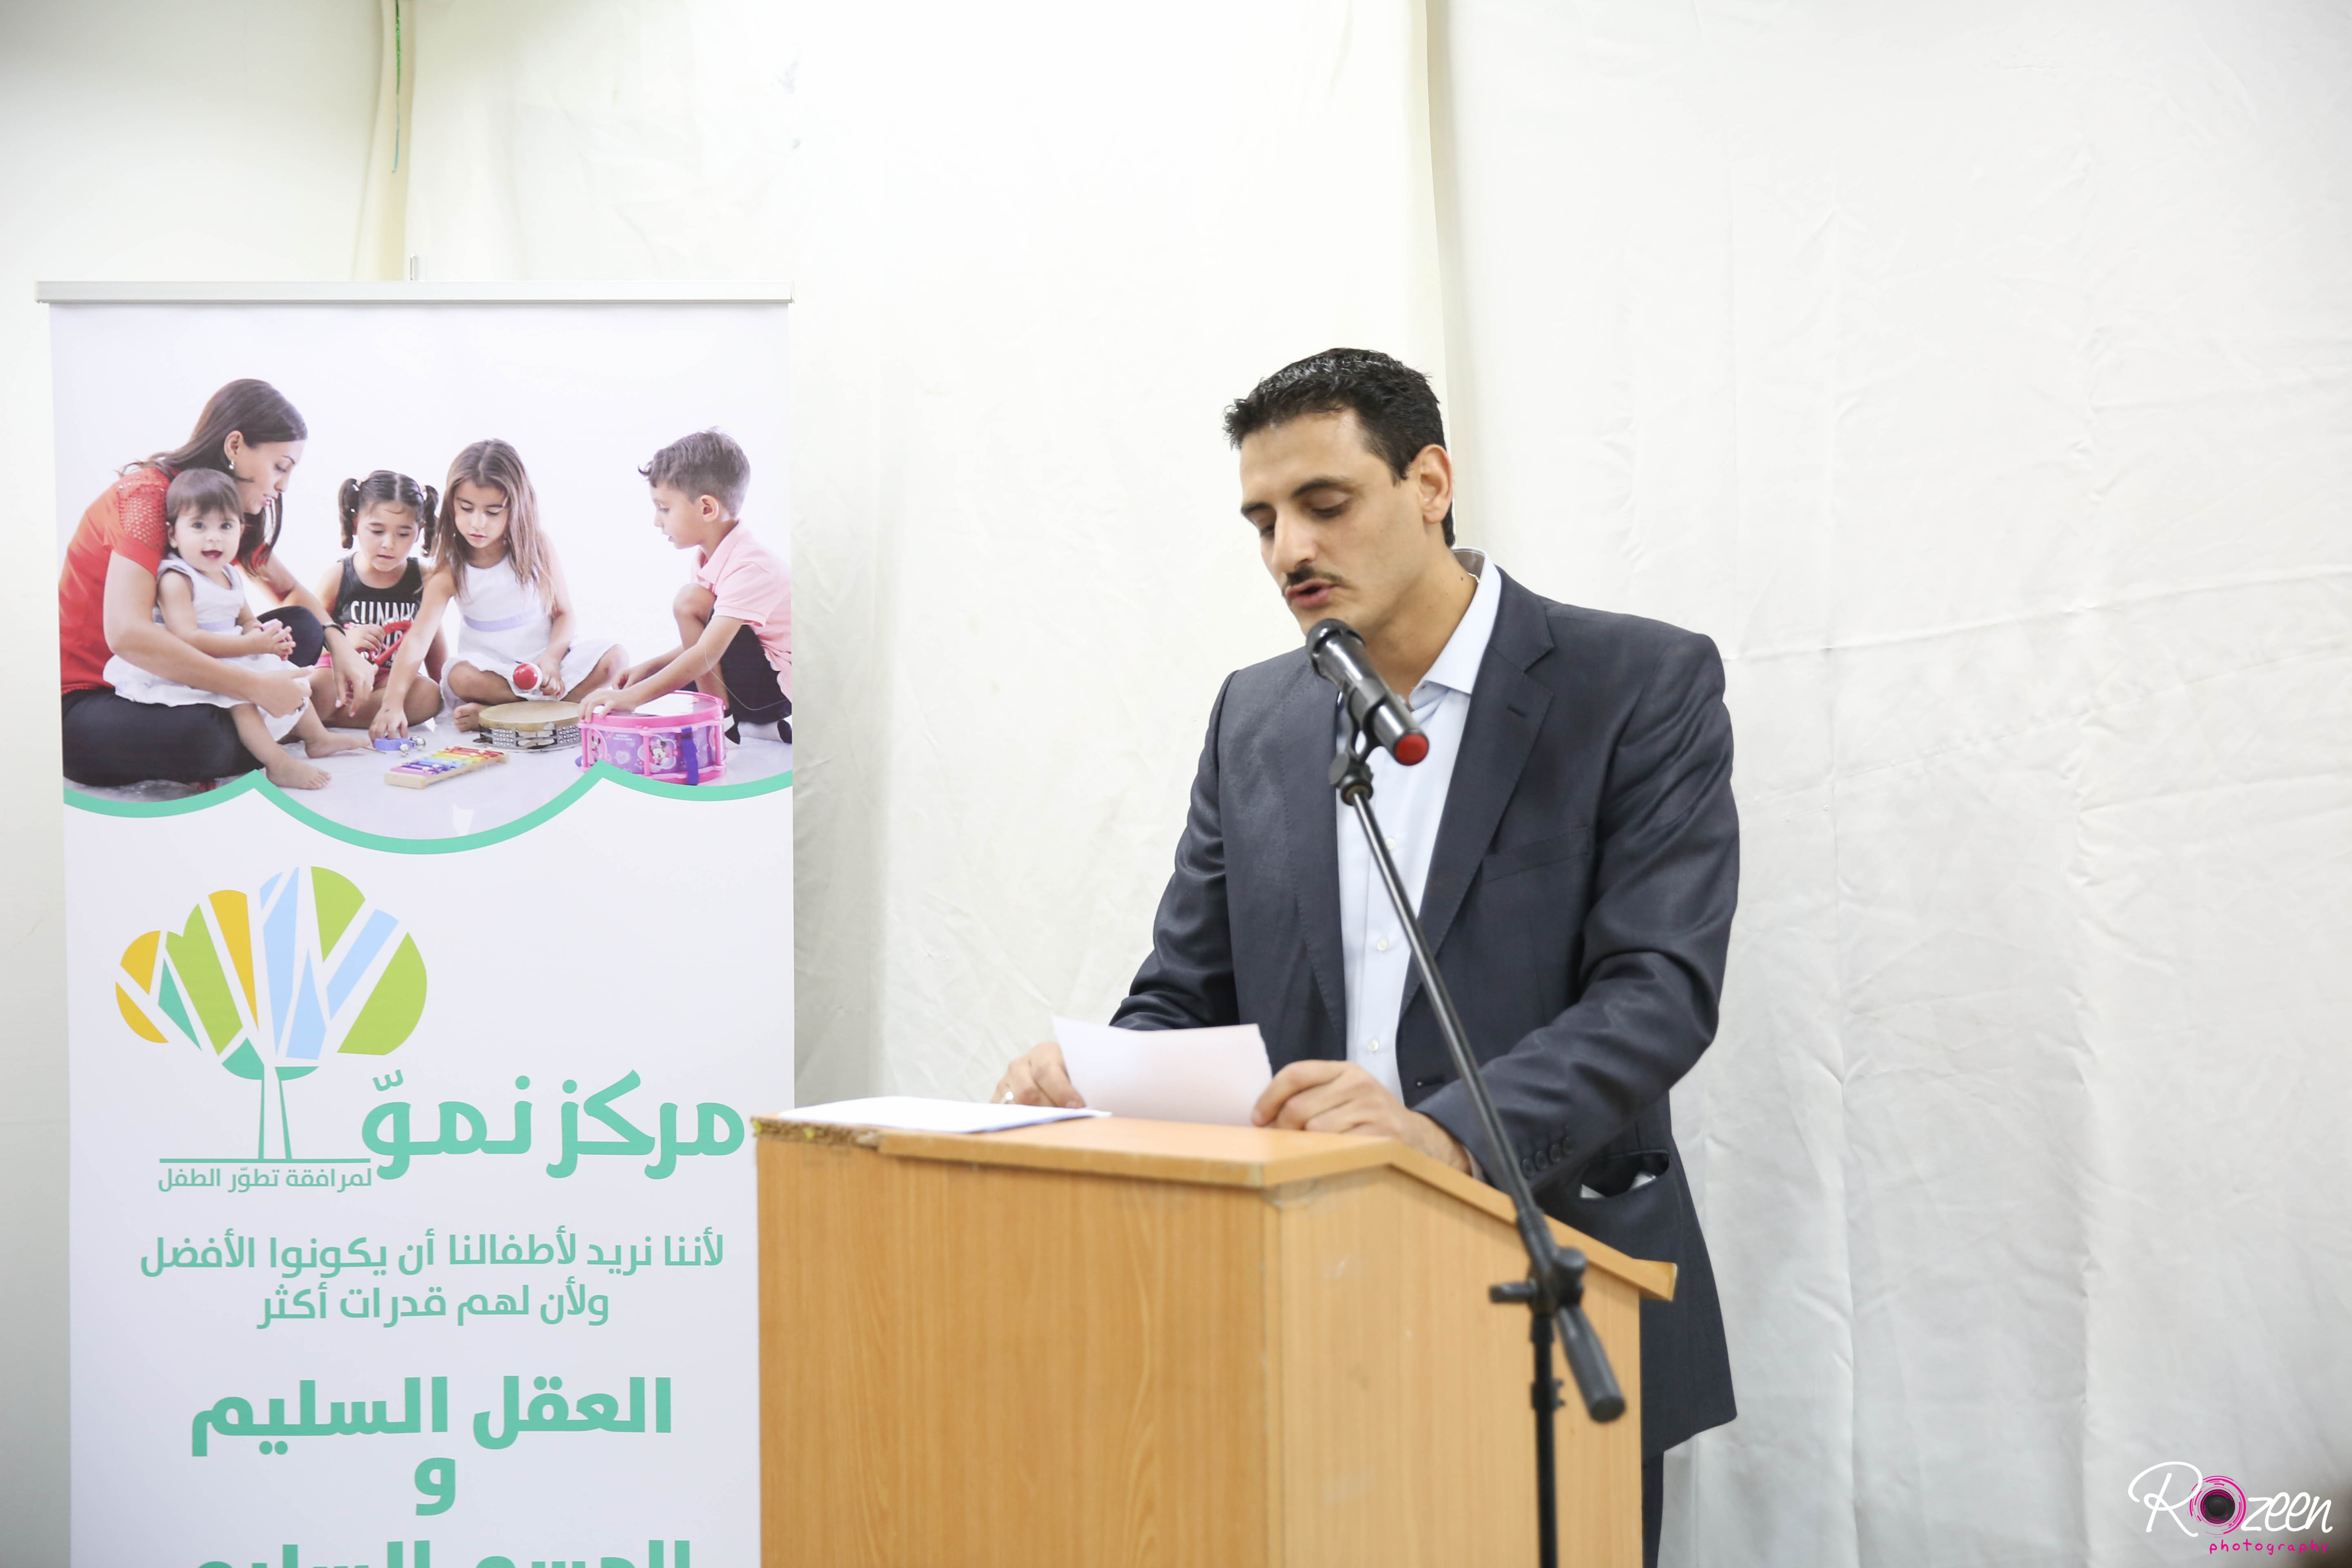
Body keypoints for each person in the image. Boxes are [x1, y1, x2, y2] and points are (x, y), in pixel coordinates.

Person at [994, 349, 1738, 1567]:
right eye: (1262, 519)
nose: (1288, 549)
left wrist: (1441, 1136)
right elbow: (1186, 989)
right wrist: (1099, 1072)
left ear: (1429, 481)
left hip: (1549, 1276)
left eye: (1324, 502)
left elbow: (1656, 994)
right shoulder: (1254, 715)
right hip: (1298, 1286)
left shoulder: (1632, 683)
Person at [58, 378, 369, 786]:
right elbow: (127, 636)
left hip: (176, 677)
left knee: (304, 626)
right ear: (235, 446)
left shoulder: (219, 511)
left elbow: (289, 590)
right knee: (203, 739)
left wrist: (340, 644)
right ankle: (269, 727)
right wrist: (254, 687)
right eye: (280, 467)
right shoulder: (147, 500)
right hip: (98, 694)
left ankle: (266, 726)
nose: (284, 486)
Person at [102, 470, 368, 789]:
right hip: (189, 664)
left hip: (229, 652)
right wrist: (253, 646)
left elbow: (246, 619)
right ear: (173, 534)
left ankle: (318, 738)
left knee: (285, 670)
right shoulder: (177, 579)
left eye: (225, 526)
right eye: (199, 526)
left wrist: (266, 636)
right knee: (241, 702)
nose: (214, 537)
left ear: (241, 531)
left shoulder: (229, 574)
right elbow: (188, 638)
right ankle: (278, 764)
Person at [373, 439, 626, 740]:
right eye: (466, 509)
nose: (477, 524)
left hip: (547, 664)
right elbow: (418, 639)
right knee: (460, 677)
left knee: (616, 659)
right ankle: (548, 712)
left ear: (516, 508)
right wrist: (391, 705)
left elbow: (564, 613)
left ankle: (500, 715)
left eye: (493, 512)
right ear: (452, 504)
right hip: (494, 674)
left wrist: (551, 658)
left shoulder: (538, 547)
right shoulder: (450, 569)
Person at [575, 429, 793, 742]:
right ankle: (751, 726)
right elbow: (711, 639)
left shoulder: (751, 567)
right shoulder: (708, 558)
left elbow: (707, 651)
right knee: (677, 675)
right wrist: (650, 667)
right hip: (755, 680)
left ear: (707, 509)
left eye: (665, 508)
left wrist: (633, 697)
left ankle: (721, 727)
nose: (657, 521)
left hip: (776, 692)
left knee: (689, 604)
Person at [312, 469, 448, 732]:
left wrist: (448, 699)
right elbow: (309, 642)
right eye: (377, 531)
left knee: (430, 695)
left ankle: (333, 718)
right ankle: (333, 712)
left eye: (403, 534)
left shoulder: (424, 578)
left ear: (419, 532)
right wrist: (344, 641)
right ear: (356, 525)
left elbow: (434, 647)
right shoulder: (339, 576)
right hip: (341, 674)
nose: (389, 544)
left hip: (392, 683)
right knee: (319, 687)